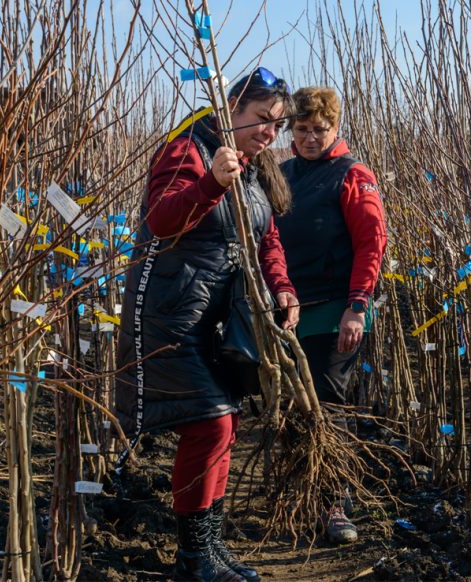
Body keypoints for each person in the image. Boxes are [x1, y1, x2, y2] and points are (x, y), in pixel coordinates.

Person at [115, 67, 299, 582]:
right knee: (210, 423)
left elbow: (265, 236)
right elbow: (161, 218)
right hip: (167, 313)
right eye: (262, 120)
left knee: (227, 423)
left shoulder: (255, 165)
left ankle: (209, 552)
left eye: (277, 126)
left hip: (216, 314)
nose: (269, 133)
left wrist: (281, 285)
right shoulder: (189, 150)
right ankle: (194, 558)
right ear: (231, 108)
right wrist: (211, 183)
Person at [276, 87, 388, 545]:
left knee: (328, 406)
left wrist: (356, 307)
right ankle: (299, 496)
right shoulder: (279, 173)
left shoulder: (352, 174)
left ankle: (334, 502)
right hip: (286, 309)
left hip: (335, 311)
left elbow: (371, 243)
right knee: (291, 406)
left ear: (335, 128)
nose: (309, 138)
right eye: (301, 129)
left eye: (319, 130)